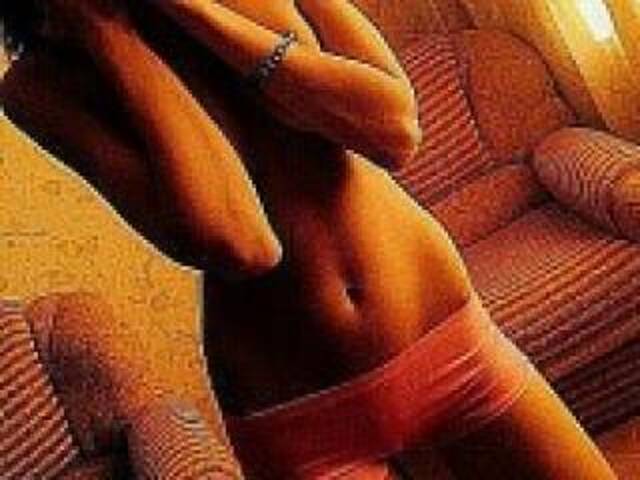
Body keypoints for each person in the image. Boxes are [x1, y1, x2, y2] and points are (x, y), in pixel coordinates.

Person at [0, 1, 617, 478]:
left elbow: (393, 129)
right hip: (300, 418)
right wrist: (110, 33)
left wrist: (193, 10)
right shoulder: (41, 86)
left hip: (450, 344)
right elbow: (239, 239)